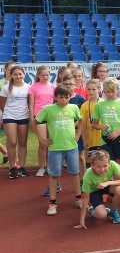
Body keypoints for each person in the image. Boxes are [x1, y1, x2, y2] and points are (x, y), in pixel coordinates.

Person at [32, 85, 82, 215]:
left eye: (66, 97)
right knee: (54, 175)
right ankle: (52, 203)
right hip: (55, 148)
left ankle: (78, 198)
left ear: (70, 97)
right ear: (55, 97)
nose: (64, 100)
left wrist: (78, 134)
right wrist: (42, 139)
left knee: (75, 173)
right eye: (61, 97)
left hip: (71, 146)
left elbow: (81, 120)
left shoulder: (74, 108)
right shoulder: (48, 109)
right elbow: (34, 122)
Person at [74, 150, 120, 228]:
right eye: (99, 167)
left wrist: (108, 183)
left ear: (109, 163)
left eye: (105, 166)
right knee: (102, 215)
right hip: (94, 191)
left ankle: (114, 211)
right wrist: (82, 221)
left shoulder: (113, 164)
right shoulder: (87, 176)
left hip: (107, 185)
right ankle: (92, 210)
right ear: (92, 165)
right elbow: (86, 198)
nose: (102, 169)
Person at [91, 78, 120, 165]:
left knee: (119, 162)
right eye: (107, 91)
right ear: (103, 91)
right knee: (106, 162)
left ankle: (119, 178)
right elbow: (94, 124)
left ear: (118, 89)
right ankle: (108, 179)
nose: (110, 94)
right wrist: (100, 127)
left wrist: (119, 131)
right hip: (105, 139)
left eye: (112, 91)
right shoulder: (99, 105)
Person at [1, 66, 30, 178]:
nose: (18, 76)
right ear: (11, 75)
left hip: (23, 115)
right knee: (12, 141)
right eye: (15, 74)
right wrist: (5, 115)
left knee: (23, 142)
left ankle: (22, 167)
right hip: (10, 115)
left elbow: (29, 102)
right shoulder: (6, 88)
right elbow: (2, 104)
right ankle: (12, 167)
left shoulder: (28, 87)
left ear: (24, 74)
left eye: (20, 74)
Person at [28, 65, 56, 177]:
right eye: (43, 75)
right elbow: (31, 105)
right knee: (43, 142)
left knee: (51, 142)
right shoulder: (33, 87)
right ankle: (42, 166)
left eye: (47, 75)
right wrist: (32, 120)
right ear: (38, 75)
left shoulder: (53, 87)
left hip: (51, 117)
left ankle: (49, 166)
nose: (45, 77)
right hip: (39, 117)